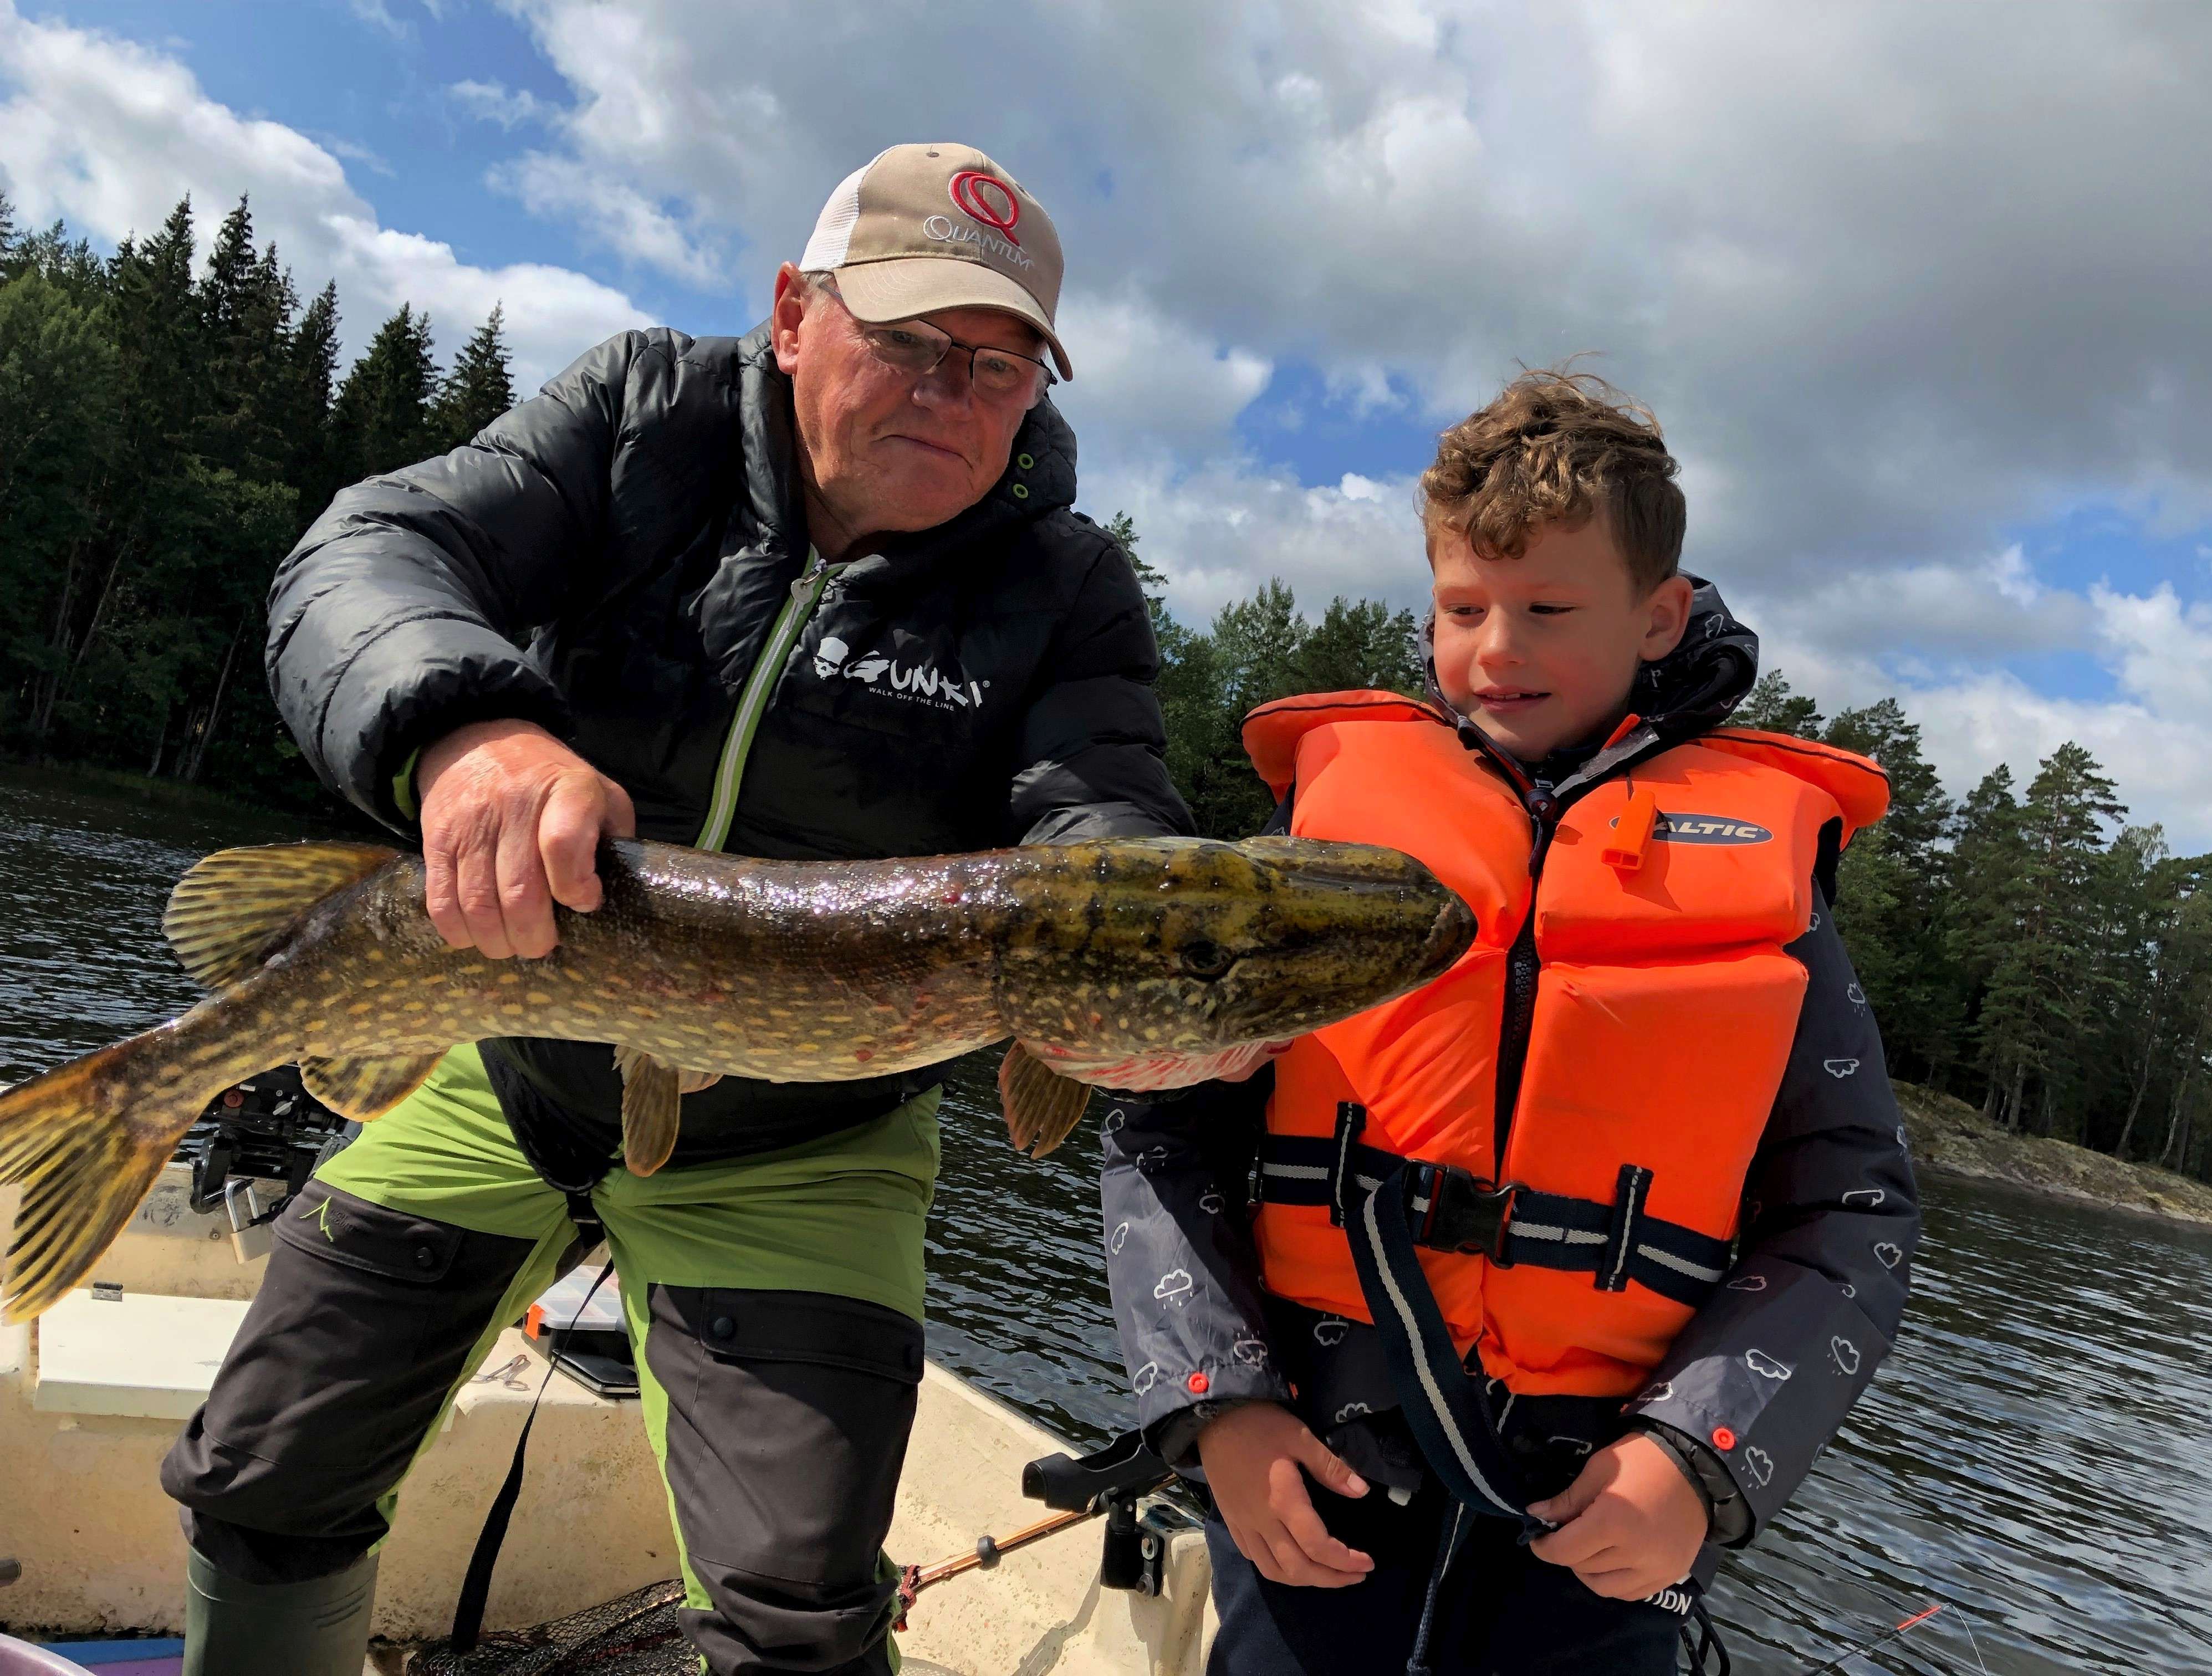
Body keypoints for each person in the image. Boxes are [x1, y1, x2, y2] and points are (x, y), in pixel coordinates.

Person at [161, 142, 1189, 1676]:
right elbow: (366, 554)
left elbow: (1097, 809)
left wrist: (1157, 978)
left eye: (997, 367)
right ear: (792, 313)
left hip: (805, 1134)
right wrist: (468, 731)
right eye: (906, 342)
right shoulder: (644, 420)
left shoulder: (1064, 584)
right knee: (264, 1472)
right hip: (506, 1047)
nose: (947, 394)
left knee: (799, 1625)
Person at [1101, 371, 1919, 1675]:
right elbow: (1164, 1130)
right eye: (1462, 609)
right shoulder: (1326, 849)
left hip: (1604, 1513)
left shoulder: (1771, 890)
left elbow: (1854, 1214)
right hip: (1326, 1465)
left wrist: (1700, 1457)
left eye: (1547, 609)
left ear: (1657, 616)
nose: (1495, 651)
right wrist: (1219, 1408)